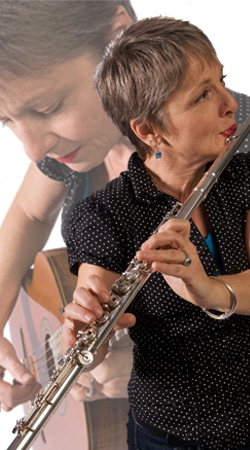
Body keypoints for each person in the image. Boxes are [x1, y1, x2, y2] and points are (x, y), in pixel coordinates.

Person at [63, 16, 250, 450]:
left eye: (222, 81)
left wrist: (210, 290)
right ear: (149, 131)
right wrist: (90, 335)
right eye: (204, 94)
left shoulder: (241, 178)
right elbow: (97, 335)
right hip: (172, 435)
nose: (230, 104)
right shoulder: (105, 216)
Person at [0, 0, 136, 414]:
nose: (33, 148)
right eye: (7, 121)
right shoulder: (81, 150)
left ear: (118, 40)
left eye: (47, 108)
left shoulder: (234, 155)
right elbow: (30, 212)